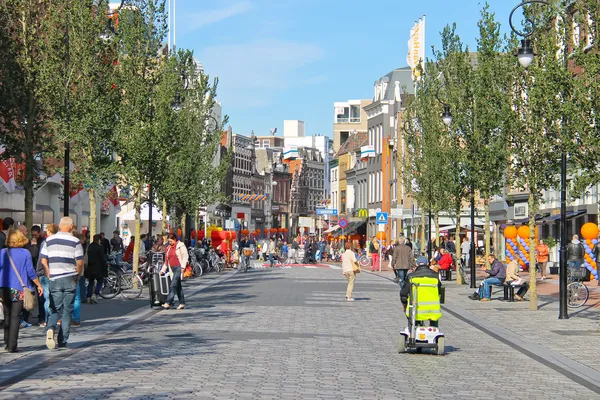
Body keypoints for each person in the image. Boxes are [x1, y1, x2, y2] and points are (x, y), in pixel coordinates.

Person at [40, 217, 84, 350]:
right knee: (67, 311)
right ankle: (62, 339)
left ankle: (50, 329)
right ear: (70, 227)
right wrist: (77, 275)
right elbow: (80, 262)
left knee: (54, 307)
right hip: (69, 277)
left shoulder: (49, 240)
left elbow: (43, 260)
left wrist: (49, 273)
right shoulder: (75, 241)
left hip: (55, 278)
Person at [0, 229, 44, 352]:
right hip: (18, 288)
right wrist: (39, 285)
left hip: (3, 288)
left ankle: (7, 342)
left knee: (7, 314)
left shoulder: (2, 252)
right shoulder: (25, 253)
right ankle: (12, 346)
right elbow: (30, 271)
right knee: (15, 316)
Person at [400, 256, 442, 327]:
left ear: (416, 264)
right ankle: (434, 329)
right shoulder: (435, 276)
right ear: (428, 263)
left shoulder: (411, 277)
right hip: (433, 310)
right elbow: (440, 291)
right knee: (434, 320)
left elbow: (403, 294)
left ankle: (412, 331)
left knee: (412, 320)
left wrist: (404, 304)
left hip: (416, 310)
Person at [36, 224, 57, 327]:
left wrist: (39, 271)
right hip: (55, 273)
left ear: (49, 231)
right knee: (52, 297)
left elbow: (42, 259)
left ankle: (48, 319)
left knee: (47, 297)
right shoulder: (58, 242)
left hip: (45, 273)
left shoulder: (46, 242)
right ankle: (52, 318)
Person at [160, 233, 187, 310]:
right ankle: (182, 303)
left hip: (179, 267)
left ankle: (168, 302)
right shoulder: (168, 248)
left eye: (171, 241)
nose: (170, 243)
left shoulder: (180, 246)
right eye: (169, 241)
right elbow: (166, 261)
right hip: (172, 268)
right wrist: (162, 270)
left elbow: (185, 256)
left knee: (173, 285)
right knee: (178, 287)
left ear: (175, 240)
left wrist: (183, 267)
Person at [86, 234, 108, 304]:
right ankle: (95, 294)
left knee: (91, 282)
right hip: (98, 268)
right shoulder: (100, 247)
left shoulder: (89, 246)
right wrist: (105, 267)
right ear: (99, 240)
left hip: (90, 267)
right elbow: (102, 259)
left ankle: (88, 297)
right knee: (100, 281)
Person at [71, 233, 88, 327]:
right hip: (76, 273)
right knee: (76, 297)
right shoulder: (78, 246)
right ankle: (75, 319)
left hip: (73, 273)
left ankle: (72, 318)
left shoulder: (75, 246)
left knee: (72, 297)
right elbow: (80, 262)